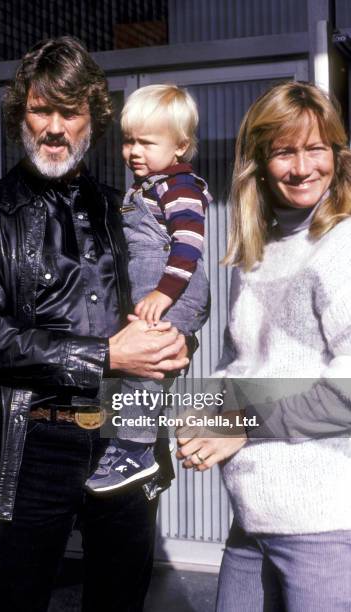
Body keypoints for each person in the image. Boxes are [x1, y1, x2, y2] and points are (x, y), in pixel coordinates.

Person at [0, 36, 195, 612]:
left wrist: (178, 341)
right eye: (39, 109)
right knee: (13, 598)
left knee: (120, 596)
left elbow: (160, 297)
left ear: (92, 122)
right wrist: (106, 357)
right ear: (18, 115)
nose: (54, 127)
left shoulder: (123, 210)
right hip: (33, 441)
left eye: (69, 112)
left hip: (123, 432)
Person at [176, 81, 351, 611]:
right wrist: (203, 409)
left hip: (321, 522)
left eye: (316, 148)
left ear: (338, 156)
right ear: (259, 161)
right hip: (253, 516)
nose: (302, 168)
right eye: (284, 151)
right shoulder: (259, 250)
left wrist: (238, 425)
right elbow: (246, 363)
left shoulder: (341, 247)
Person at [86, 84, 210, 494]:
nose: (133, 151)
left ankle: (135, 453)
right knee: (140, 377)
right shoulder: (144, 188)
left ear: (180, 146)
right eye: (128, 141)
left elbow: (189, 245)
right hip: (153, 291)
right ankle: (149, 456)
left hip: (172, 288)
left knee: (145, 374)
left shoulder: (179, 187)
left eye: (146, 142)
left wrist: (164, 292)